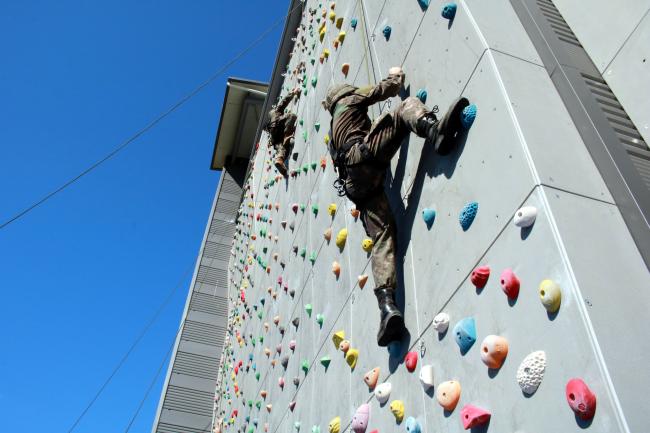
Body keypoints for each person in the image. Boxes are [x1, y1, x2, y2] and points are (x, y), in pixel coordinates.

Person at [323, 66, 469, 346]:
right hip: (365, 157)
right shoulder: (350, 99)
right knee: (405, 108)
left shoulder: (333, 131)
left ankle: (388, 307)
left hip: (360, 189)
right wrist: (397, 77)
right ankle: (434, 129)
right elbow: (384, 90)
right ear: (343, 93)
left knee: (382, 238)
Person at [265, 87, 301, 176]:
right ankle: (287, 135)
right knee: (291, 116)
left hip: (274, 137)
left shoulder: (269, 123)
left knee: (280, 146)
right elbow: (283, 102)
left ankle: (279, 159)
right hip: (278, 126)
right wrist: (293, 93)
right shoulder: (275, 112)